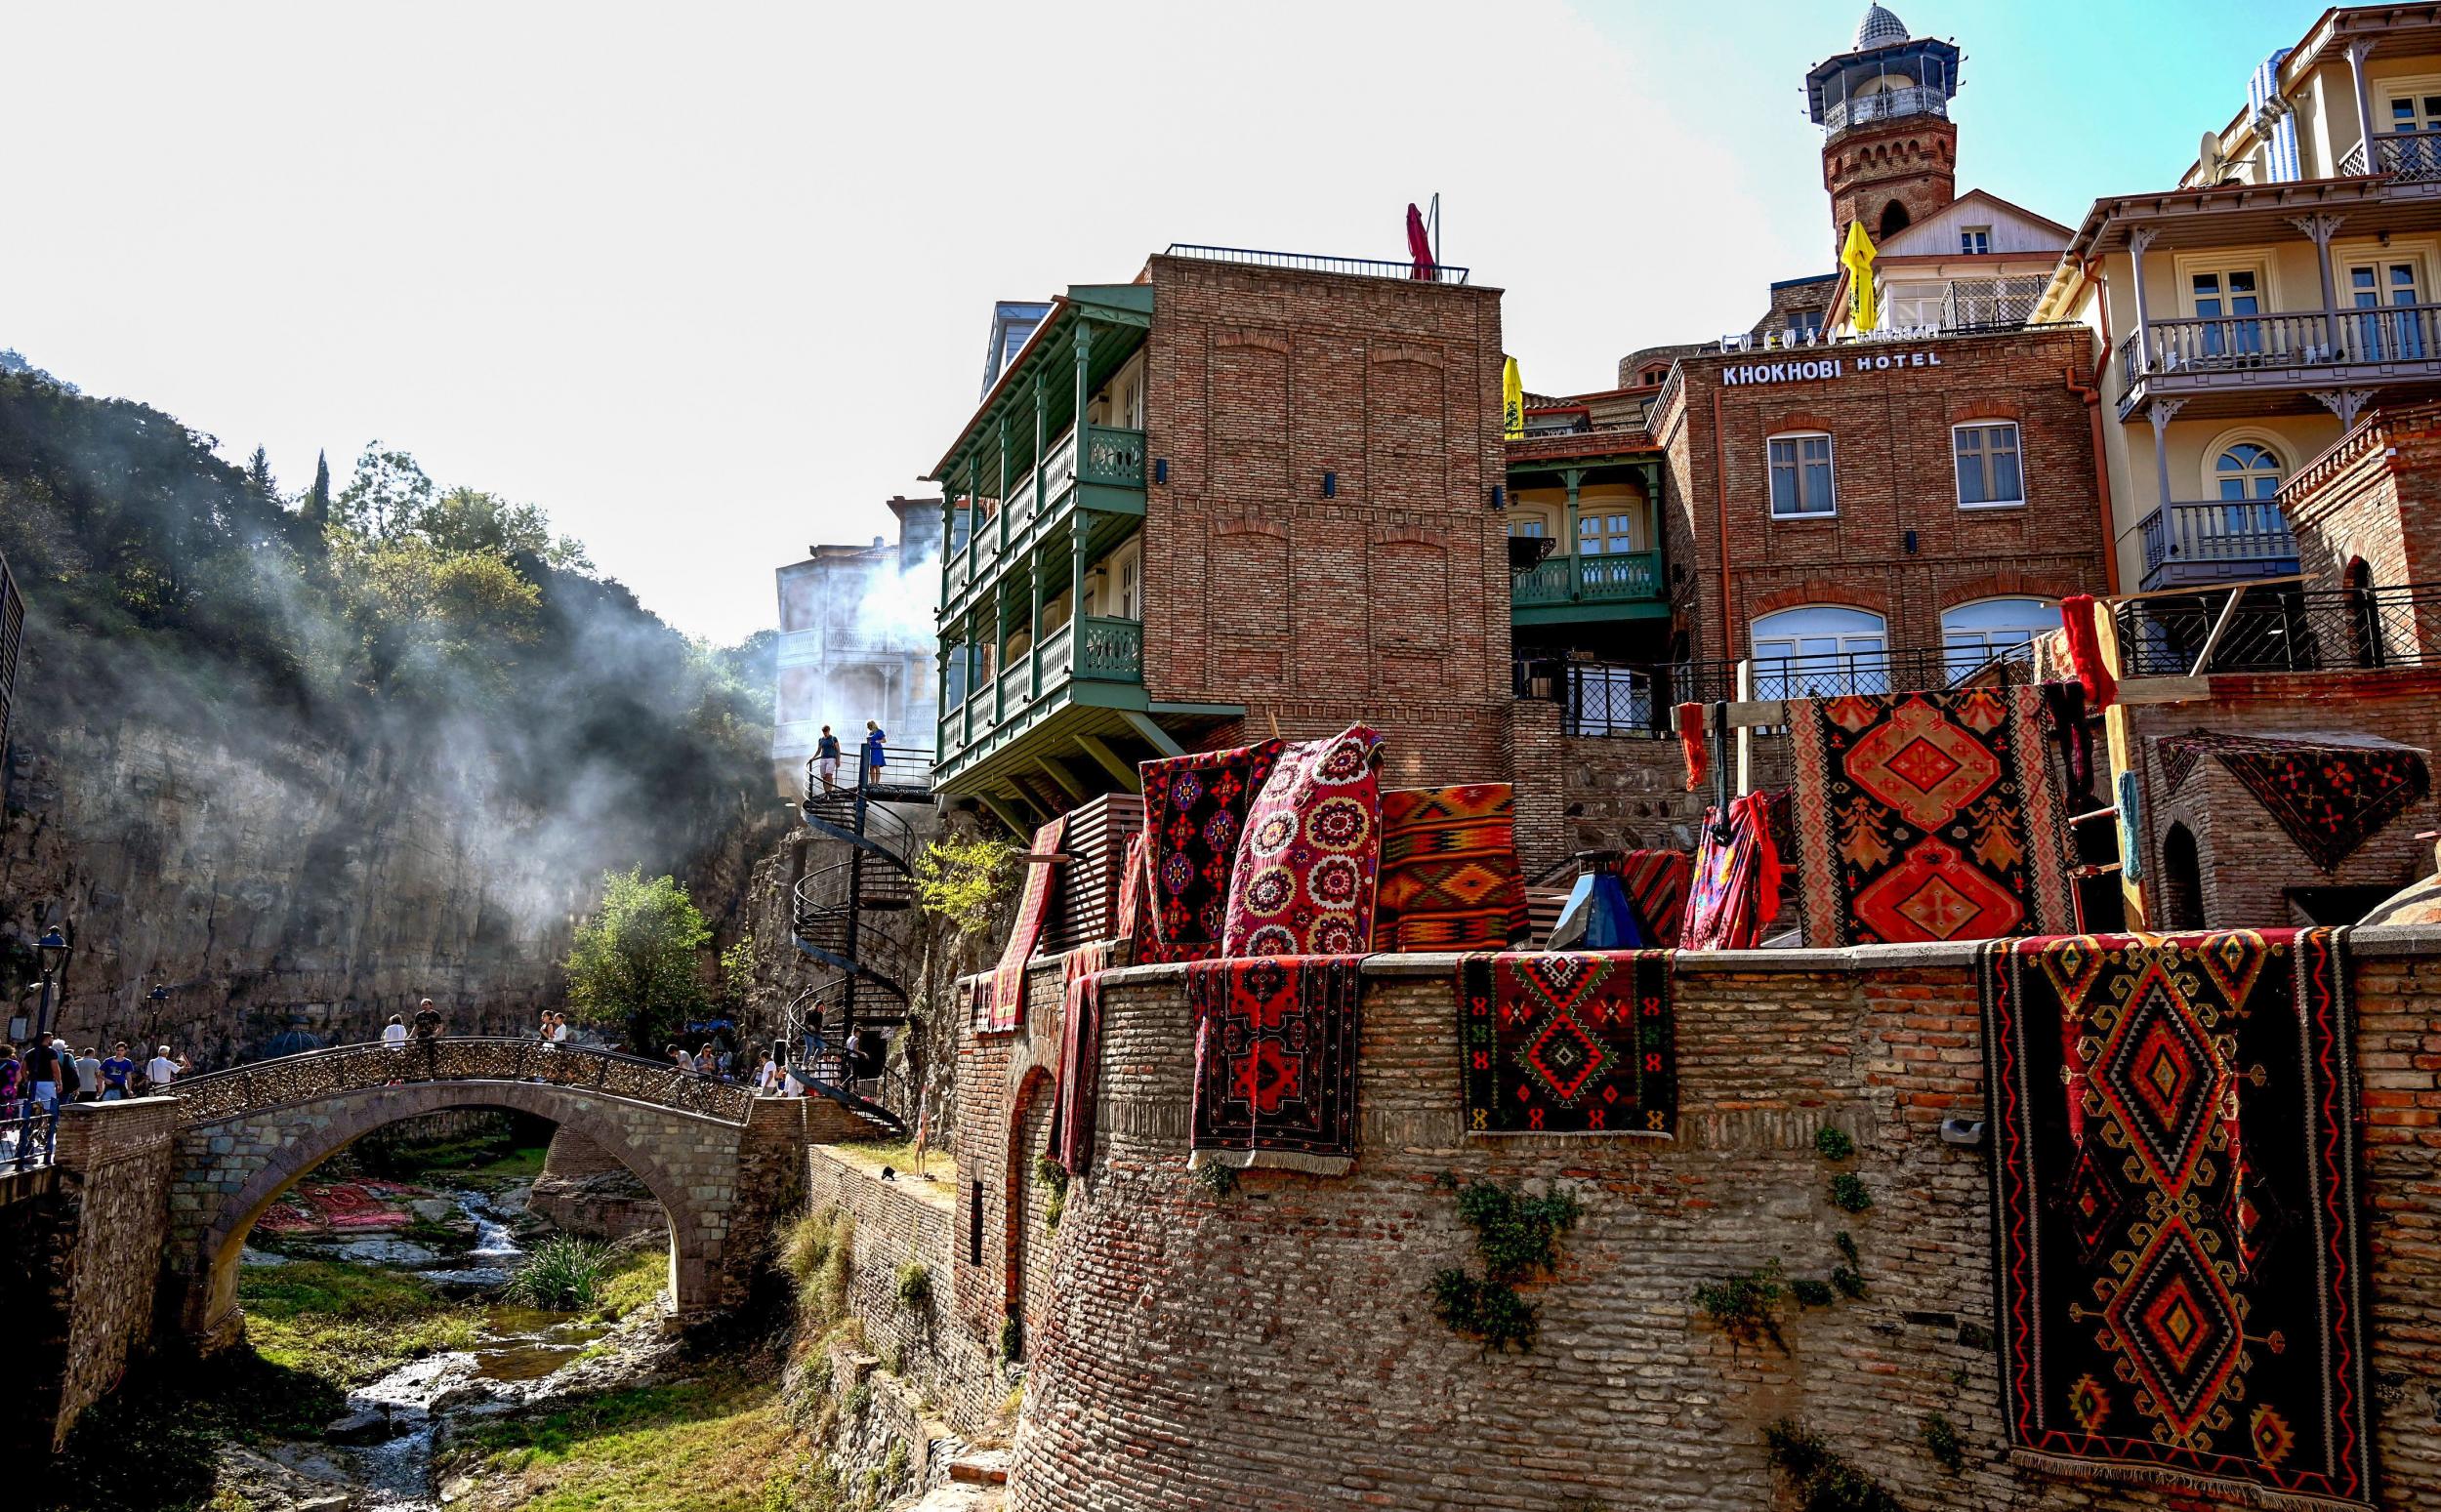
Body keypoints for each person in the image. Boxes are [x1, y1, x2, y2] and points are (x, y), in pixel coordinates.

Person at [24, 1033, 62, 1114]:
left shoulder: (30, 1053)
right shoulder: (51, 1052)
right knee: (49, 1106)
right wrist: (59, 1083)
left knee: (34, 1105)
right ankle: (46, 1124)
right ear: (47, 1039)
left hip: (33, 1082)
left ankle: (34, 1123)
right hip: (47, 1082)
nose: (52, 1040)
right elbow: (55, 1069)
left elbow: (23, 1069)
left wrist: (27, 1079)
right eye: (51, 1038)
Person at [814, 725, 843, 793]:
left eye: (826, 731)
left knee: (829, 774)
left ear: (829, 731)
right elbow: (819, 750)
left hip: (831, 759)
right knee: (824, 777)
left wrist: (838, 760)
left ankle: (830, 791)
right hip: (823, 759)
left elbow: (838, 750)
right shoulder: (821, 740)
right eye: (824, 732)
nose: (825, 733)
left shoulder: (833, 738)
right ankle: (826, 792)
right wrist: (813, 758)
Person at [863, 720, 887, 785]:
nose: (869, 728)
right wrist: (868, 741)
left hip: (878, 750)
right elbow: (869, 744)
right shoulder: (870, 734)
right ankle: (873, 782)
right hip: (872, 750)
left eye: (869, 727)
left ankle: (877, 783)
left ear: (872, 726)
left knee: (877, 766)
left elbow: (884, 740)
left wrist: (878, 741)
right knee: (871, 767)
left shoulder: (879, 732)